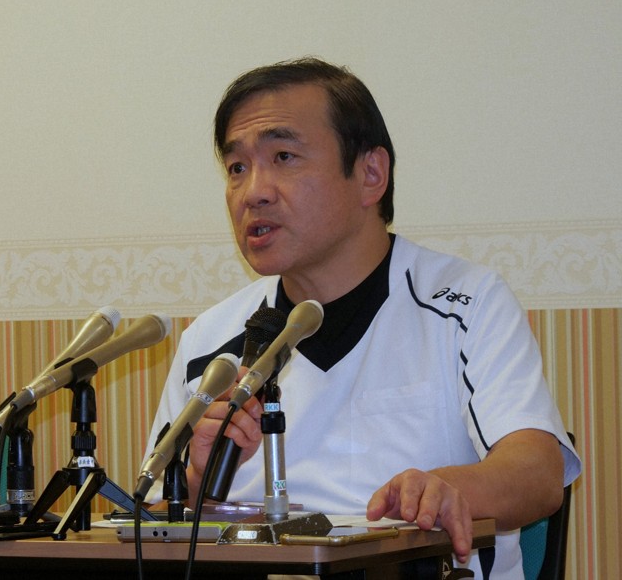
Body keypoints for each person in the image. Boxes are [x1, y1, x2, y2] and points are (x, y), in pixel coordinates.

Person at [144, 58, 580, 579]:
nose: (253, 191)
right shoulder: (210, 343)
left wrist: (448, 488)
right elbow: (147, 528)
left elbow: (538, 473)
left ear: (371, 174)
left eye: (283, 156)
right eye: (237, 167)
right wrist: (196, 481)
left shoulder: (466, 304)